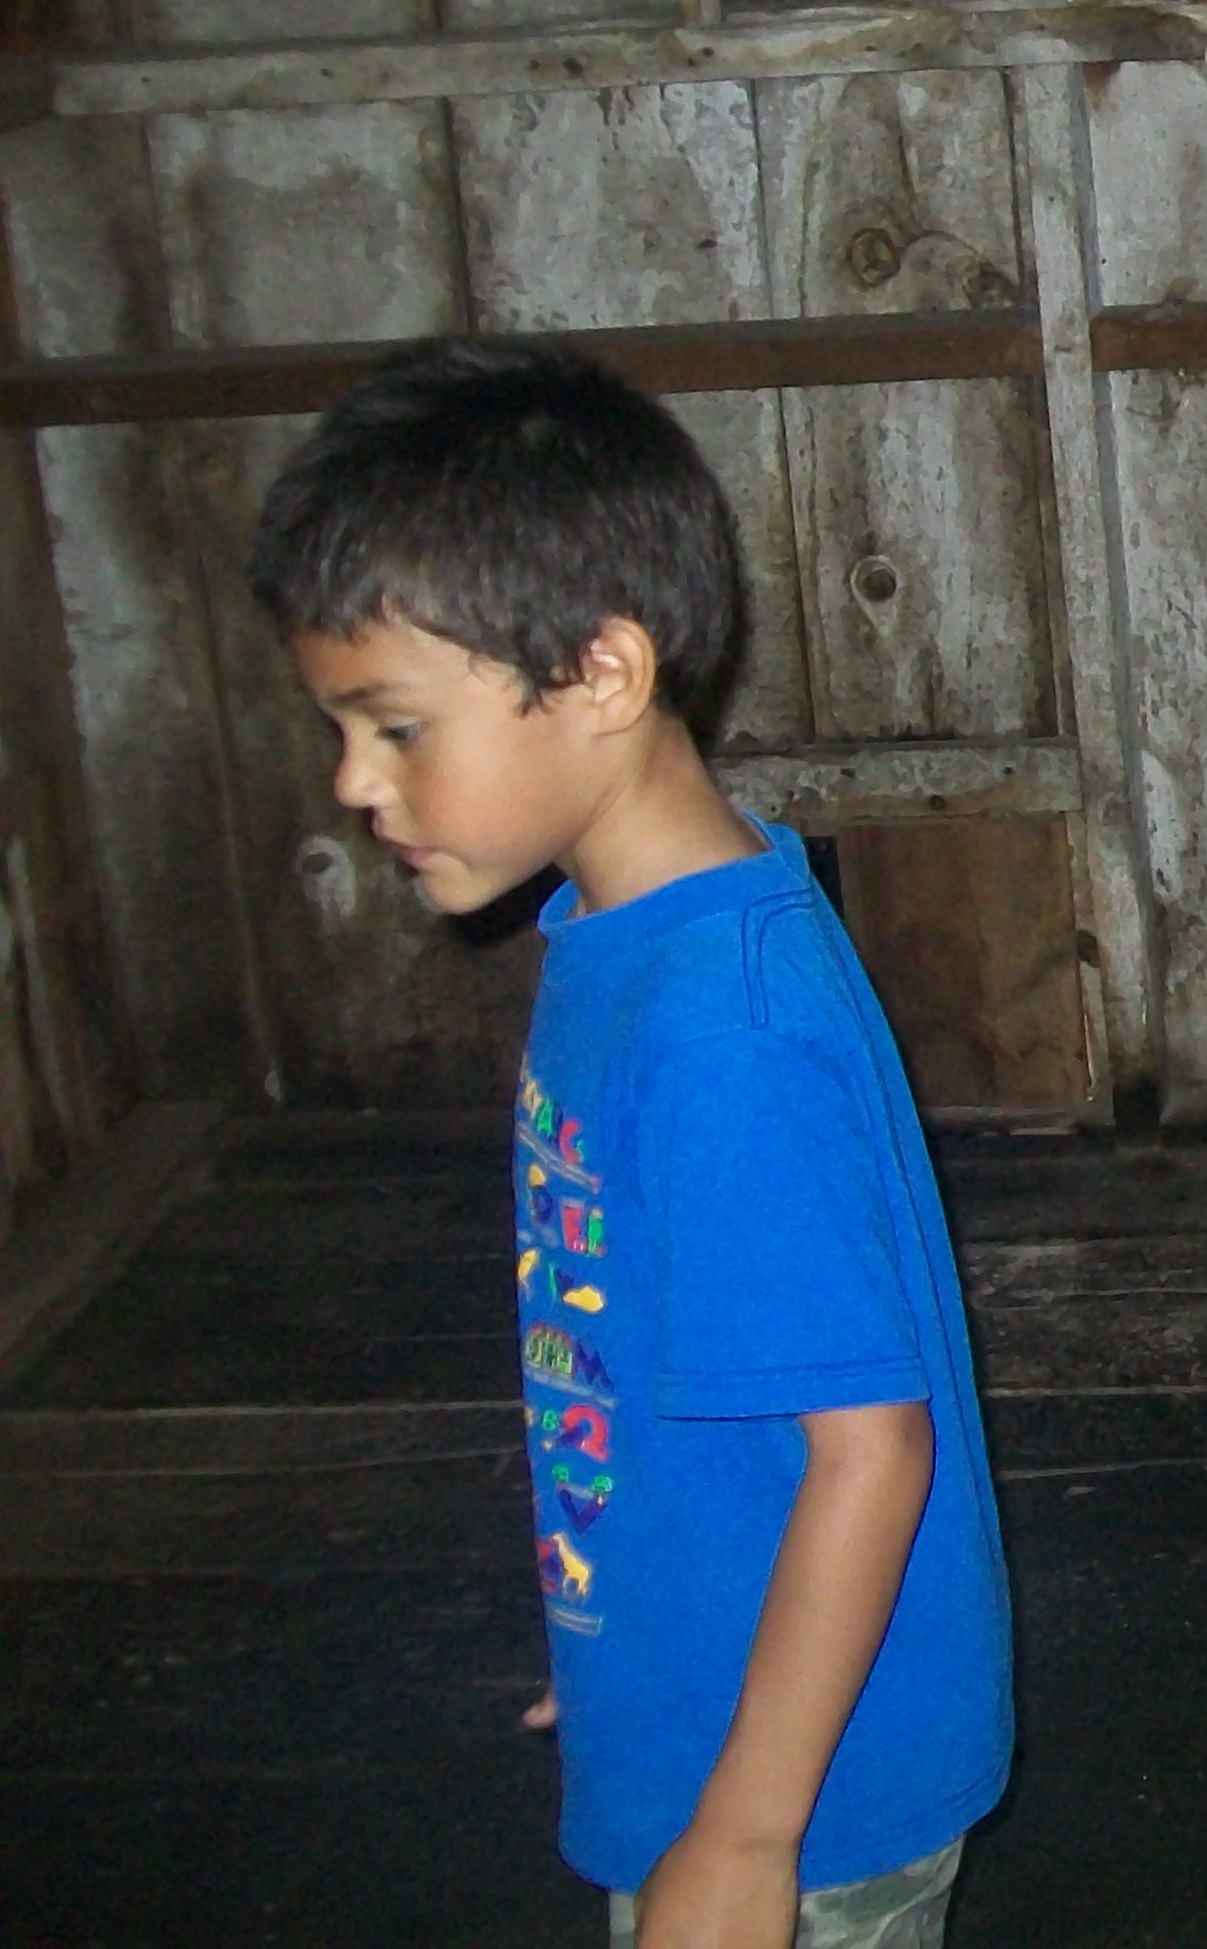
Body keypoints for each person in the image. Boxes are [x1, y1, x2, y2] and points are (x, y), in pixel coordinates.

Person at [246, 338, 1012, 1949]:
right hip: (709, 1704)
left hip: (809, 1814)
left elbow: (872, 1451)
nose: (353, 784)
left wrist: (744, 1833)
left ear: (599, 673)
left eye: (393, 726)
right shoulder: (620, 935)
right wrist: (642, 1634)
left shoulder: (718, 1031)